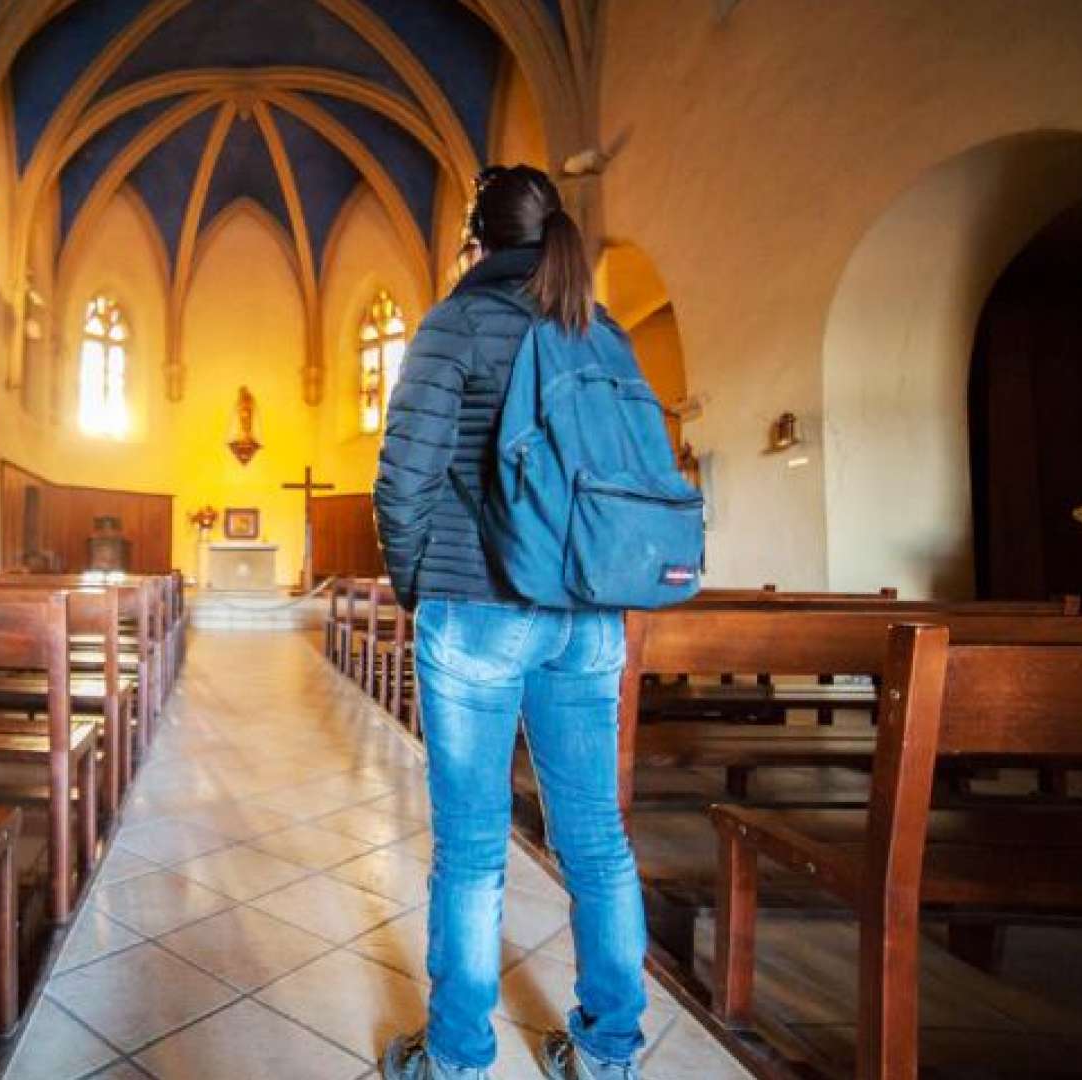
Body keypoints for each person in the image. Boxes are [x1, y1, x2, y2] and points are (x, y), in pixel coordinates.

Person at [373, 165, 648, 1080]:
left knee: (471, 846)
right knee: (597, 838)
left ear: (476, 241)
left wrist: (417, 583)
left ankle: (457, 1057)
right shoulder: (598, 327)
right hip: (588, 613)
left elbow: (405, 476)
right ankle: (609, 1052)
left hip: (476, 605)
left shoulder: (456, 322)